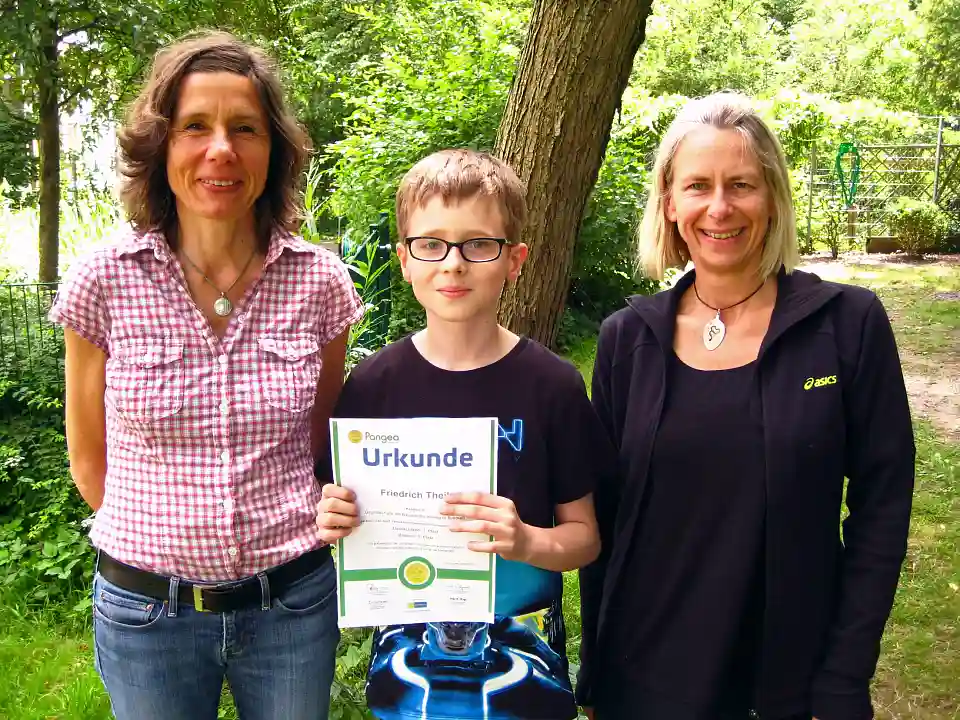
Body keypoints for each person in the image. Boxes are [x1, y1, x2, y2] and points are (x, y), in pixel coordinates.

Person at [49, 32, 363, 720]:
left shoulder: (320, 285)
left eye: (244, 129)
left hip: (292, 607)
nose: (221, 149)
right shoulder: (102, 280)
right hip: (145, 614)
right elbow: (86, 453)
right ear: (161, 147)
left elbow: (319, 445)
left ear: (272, 151)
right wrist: (160, 546)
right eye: (196, 126)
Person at [576, 92, 915, 720]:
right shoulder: (627, 338)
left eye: (742, 185)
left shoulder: (847, 325)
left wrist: (843, 675)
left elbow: (883, 510)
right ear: (670, 202)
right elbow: (606, 520)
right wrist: (595, 674)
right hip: (645, 678)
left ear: (773, 197)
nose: (720, 207)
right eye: (698, 185)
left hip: (787, 679)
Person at [315, 149, 613, 720]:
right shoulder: (373, 386)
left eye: (479, 245)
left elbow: (584, 538)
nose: (453, 264)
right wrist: (333, 519)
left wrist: (527, 541)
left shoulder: (551, 386)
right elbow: (336, 518)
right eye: (431, 244)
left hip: (523, 677)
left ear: (515, 260)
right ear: (404, 260)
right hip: (407, 677)